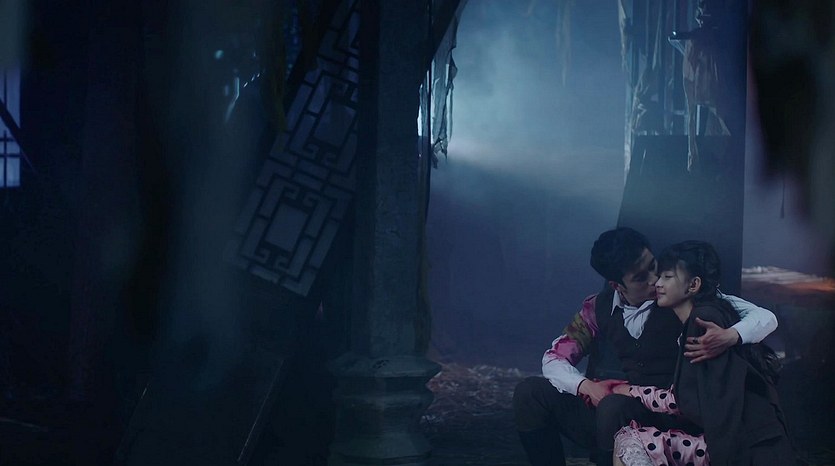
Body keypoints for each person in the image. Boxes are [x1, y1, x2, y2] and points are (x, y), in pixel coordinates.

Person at [512, 228, 778, 466]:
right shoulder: (597, 307)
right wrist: (585, 386)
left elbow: (764, 317)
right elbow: (554, 358)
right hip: (618, 412)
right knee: (530, 393)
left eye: (654, 266)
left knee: (613, 406)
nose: (655, 280)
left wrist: (731, 335)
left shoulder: (681, 294)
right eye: (641, 277)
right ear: (617, 285)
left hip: (672, 418)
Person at [610, 240, 792, 466]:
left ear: (694, 285)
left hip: (747, 447)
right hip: (741, 439)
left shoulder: (704, 321)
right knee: (632, 438)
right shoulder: (705, 313)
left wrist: (632, 391)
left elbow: (695, 402)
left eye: (667, 277)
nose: (657, 283)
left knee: (629, 441)